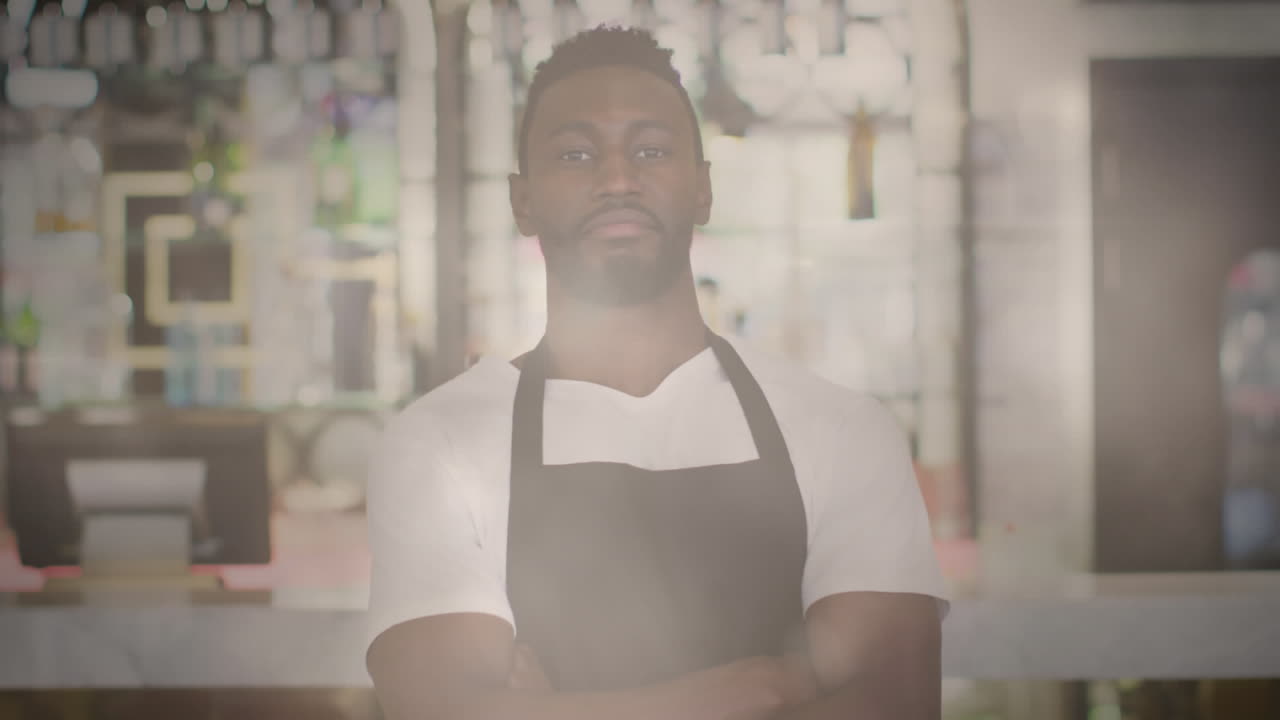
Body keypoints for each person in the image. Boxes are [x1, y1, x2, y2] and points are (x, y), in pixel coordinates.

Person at [365, 26, 948, 720]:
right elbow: (441, 712)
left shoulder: (843, 431)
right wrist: (757, 689)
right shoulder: (440, 445)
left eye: (651, 149)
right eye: (576, 153)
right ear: (522, 200)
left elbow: (895, 707)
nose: (617, 179)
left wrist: (565, 710)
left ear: (703, 190)